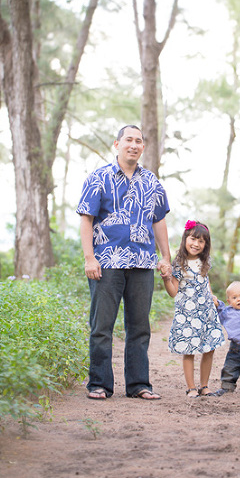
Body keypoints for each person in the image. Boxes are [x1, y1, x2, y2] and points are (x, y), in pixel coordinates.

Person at [77, 124, 172, 400]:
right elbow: (87, 219)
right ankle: (99, 384)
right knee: (102, 326)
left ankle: (139, 384)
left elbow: (159, 220)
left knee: (140, 327)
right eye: (128, 140)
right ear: (116, 144)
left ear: (143, 147)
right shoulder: (98, 178)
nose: (134, 145)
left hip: (143, 262)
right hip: (105, 263)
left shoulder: (151, 181)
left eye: (138, 141)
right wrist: (89, 258)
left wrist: (165, 256)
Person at [162, 220, 225, 398]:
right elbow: (173, 292)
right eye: (193, 239)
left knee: (209, 348)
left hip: (206, 312)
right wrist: (167, 279)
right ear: (185, 239)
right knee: (189, 350)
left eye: (201, 241)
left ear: (205, 245)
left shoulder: (205, 261)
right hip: (187, 314)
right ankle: (191, 387)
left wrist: (212, 296)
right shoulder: (178, 263)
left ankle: (204, 386)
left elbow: (206, 281)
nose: (196, 244)